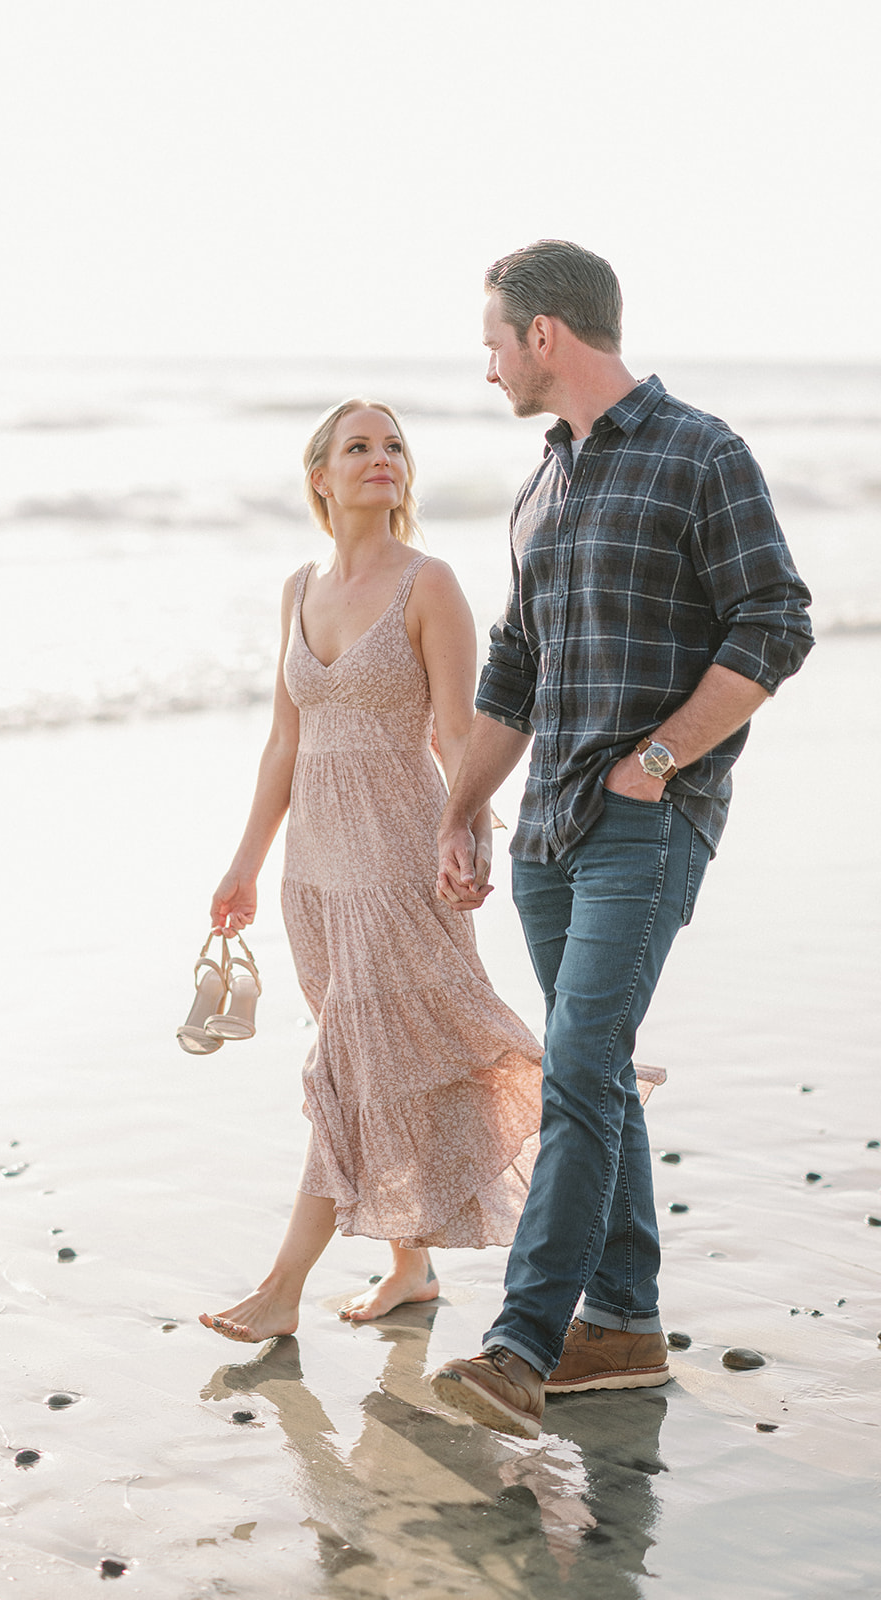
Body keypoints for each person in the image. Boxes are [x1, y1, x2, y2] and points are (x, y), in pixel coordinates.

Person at [429, 241, 814, 1438]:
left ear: (546, 333)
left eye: (494, 339)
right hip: (546, 830)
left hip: (646, 824)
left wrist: (661, 761)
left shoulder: (703, 453)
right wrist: (460, 809)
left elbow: (778, 620)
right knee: (594, 1070)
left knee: (584, 1063)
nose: (487, 367)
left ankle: (521, 1342)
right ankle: (628, 1323)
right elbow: (514, 672)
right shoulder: (540, 486)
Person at [198, 398, 546, 1343]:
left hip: (399, 858)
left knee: (352, 1067)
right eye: (359, 447)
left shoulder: (428, 583)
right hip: (314, 870)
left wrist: (465, 824)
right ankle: (412, 1266)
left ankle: (281, 1292)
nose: (382, 459)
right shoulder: (298, 587)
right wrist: (245, 866)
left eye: (395, 446)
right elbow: (283, 742)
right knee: (374, 1067)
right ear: (321, 475)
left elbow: (458, 733)